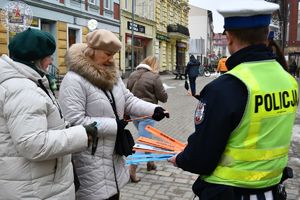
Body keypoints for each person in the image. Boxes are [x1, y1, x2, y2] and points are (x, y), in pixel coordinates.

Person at [168, 1, 298, 199]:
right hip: (272, 190)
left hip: (231, 191)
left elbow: (202, 157)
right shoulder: (288, 81)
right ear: (266, 34)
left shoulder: (226, 87)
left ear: (228, 38)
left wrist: (182, 159)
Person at [58, 29, 169, 200]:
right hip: (89, 160)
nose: (111, 59)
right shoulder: (74, 80)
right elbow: (74, 121)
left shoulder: (112, 75)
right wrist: (114, 125)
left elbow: (128, 100)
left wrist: (152, 110)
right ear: (92, 50)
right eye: (107, 54)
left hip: (112, 157)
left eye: (114, 55)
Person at [0, 28, 98, 199]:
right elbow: (33, 144)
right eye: (48, 57)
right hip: (35, 188)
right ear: (35, 60)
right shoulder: (24, 90)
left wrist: (66, 128)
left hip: (34, 182)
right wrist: (80, 135)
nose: (51, 61)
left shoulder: (27, 82)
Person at [126, 56, 168, 182]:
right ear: (154, 65)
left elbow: (127, 93)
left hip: (134, 113)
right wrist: (163, 91)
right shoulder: (154, 77)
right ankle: (132, 168)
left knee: (145, 138)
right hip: (148, 113)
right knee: (144, 141)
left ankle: (150, 163)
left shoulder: (132, 74)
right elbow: (163, 97)